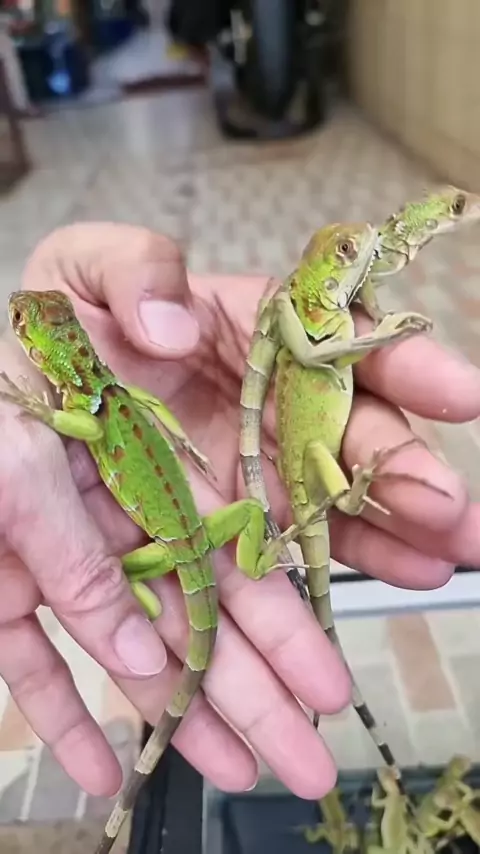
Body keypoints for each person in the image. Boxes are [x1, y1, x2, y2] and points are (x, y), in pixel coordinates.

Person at [1, 223, 479, 802]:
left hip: (175, 549)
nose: (16, 318)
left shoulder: (90, 408)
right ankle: (260, 557)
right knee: (250, 513)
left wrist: (40, 414)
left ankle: (152, 597)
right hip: (201, 533)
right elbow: (103, 421)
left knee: (120, 578)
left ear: (42, 353)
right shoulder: (108, 395)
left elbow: (81, 427)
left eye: (22, 323)